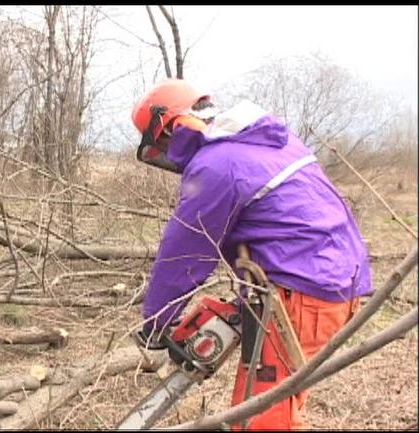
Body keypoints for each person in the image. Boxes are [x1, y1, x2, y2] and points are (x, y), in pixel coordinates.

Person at [130, 79, 371, 430]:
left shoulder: (217, 164)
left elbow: (184, 254)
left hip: (302, 295)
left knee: (262, 420)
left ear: (170, 128)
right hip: (334, 282)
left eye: (162, 146)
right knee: (272, 404)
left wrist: (155, 324)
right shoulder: (273, 142)